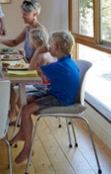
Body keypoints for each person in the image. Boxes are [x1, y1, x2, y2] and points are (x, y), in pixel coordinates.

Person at [9, 30, 81, 164]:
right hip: (57, 92)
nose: (48, 46)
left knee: (25, 110)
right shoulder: (66, 62)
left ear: (57, 47)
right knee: (25, 100)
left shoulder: (59, 66)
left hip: (61, 99)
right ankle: (22, 133)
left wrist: (37, 52)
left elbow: (30, 71)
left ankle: (28, 148)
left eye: (51, 43)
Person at [8, 28, 55, 121]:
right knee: (12, 83)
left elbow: (31, 72)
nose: (28, 43)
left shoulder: (42, 55)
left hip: (43, 84)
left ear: (34, 42)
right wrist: (24, 57)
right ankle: (17, 115)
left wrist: (36, 53)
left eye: (29, 40)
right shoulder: (42, 53)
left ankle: (23, 120)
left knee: (15, 89)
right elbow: (33, 68)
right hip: (38, 80)